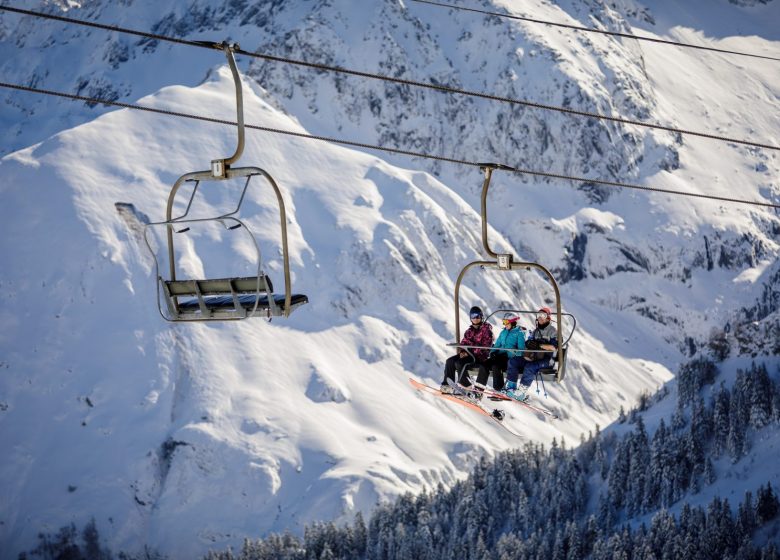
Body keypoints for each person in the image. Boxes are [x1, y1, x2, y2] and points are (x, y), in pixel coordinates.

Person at [503, 307, 558, 401]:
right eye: (539, 315)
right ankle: (511, 387)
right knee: (514, 361)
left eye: (543, 315)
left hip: (547, 360)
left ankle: (521, 392)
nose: (540, 317)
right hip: (534, 356)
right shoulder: (536, 331)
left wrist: (539, 345)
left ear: (548, 318)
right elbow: (529, 342)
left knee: (530, 367)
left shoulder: (553, 331)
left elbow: (554, 347)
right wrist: (528, 343)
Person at [440, 305, 493, 393]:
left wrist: (469, 351)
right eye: (473, 316)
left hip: (479, 358)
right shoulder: (469, 331)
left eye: (477, 316)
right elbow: (464, 343)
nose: (475, 318)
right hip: (469, 355)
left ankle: (466, 385)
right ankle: (447, 385)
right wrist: (463, 351)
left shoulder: (486, 330)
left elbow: (486, 346)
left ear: (481, 316)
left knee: (459, 363)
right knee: (450, 361)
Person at [472, 312, 525, 393]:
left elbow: (521, 350)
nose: (505, 324)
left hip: (509, 358)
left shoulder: (519, 333)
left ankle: (499, 390)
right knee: (484, 365)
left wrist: (513, 353)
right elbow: (497, 344)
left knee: (496, 366)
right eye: (504, 322)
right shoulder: (503, 332)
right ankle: (478, 391)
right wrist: (492, 352)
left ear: (513, 322)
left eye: (506, 322)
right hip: (499, 356)